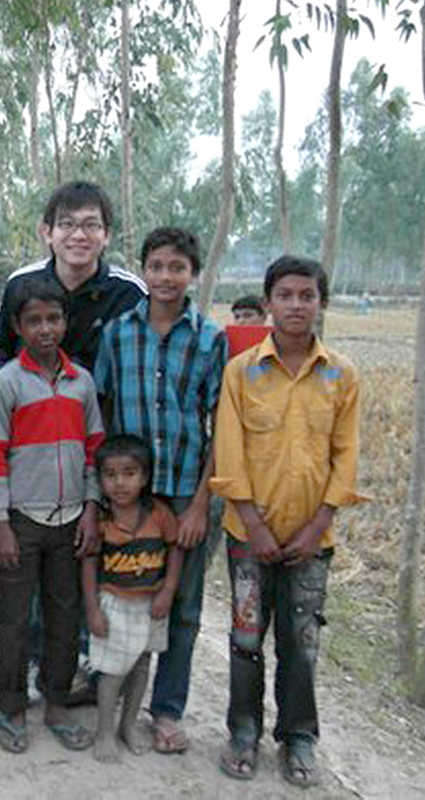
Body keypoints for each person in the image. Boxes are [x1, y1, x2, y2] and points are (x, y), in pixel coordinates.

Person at [211, 256, 363, 788]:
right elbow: (228, 453)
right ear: (269, 302)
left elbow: (345, 457)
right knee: (246, 638)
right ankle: (244, 732)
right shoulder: (243, 371)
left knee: (301, 643)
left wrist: (317, 523)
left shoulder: (340, 375)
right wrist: (251, 523)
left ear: (322, 302)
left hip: (310, 540)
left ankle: (298, 737)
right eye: (286, 296)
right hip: (247, 535)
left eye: (307, 296)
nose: (296, 306)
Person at [91, 227, 227, 755]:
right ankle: (109, 696)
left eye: (177, 267)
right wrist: (102, 489)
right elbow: (101, 409)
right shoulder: (118, 334)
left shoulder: (209, 338)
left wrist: (199, 502)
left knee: (181, 605)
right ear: (142, 270)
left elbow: (220, 425)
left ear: (192, 274)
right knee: (115, 596)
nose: (166, 277)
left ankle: (165, 710)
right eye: (157, 266)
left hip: (184, 493)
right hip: (125, 495)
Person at [0, 276, 103, 755]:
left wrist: (92, 510)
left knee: (64, 615)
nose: (45, 328)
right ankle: (11, 708)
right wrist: (1, 523)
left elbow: (94, 450)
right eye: (34, 320)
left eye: (53, 318)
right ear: (17, 325)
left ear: (66, 322)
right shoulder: (7, 383)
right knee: (12, 620)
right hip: (22, 521)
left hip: (72, 519)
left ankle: (56, 702)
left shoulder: (82, 383)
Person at [82, 435, 184, 763]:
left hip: (152, 604)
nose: (120, 483)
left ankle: (128, 724)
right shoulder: (101, 520)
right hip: (115, 603)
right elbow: (88, 563)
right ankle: (105, 730)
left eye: (129, 473)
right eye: (110, 475)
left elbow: (175, 549)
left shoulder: (159, 514)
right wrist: (93, 609)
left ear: (145, 477)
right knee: (113, 671)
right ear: (100, 480)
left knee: (141, 665)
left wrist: (168, 590)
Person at [0, 180, 146, 370]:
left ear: (107, 235)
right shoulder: (21, 283)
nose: (79, 235)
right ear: (47, 233)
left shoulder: (130, 293)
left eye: (91, 225)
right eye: (67, 224)